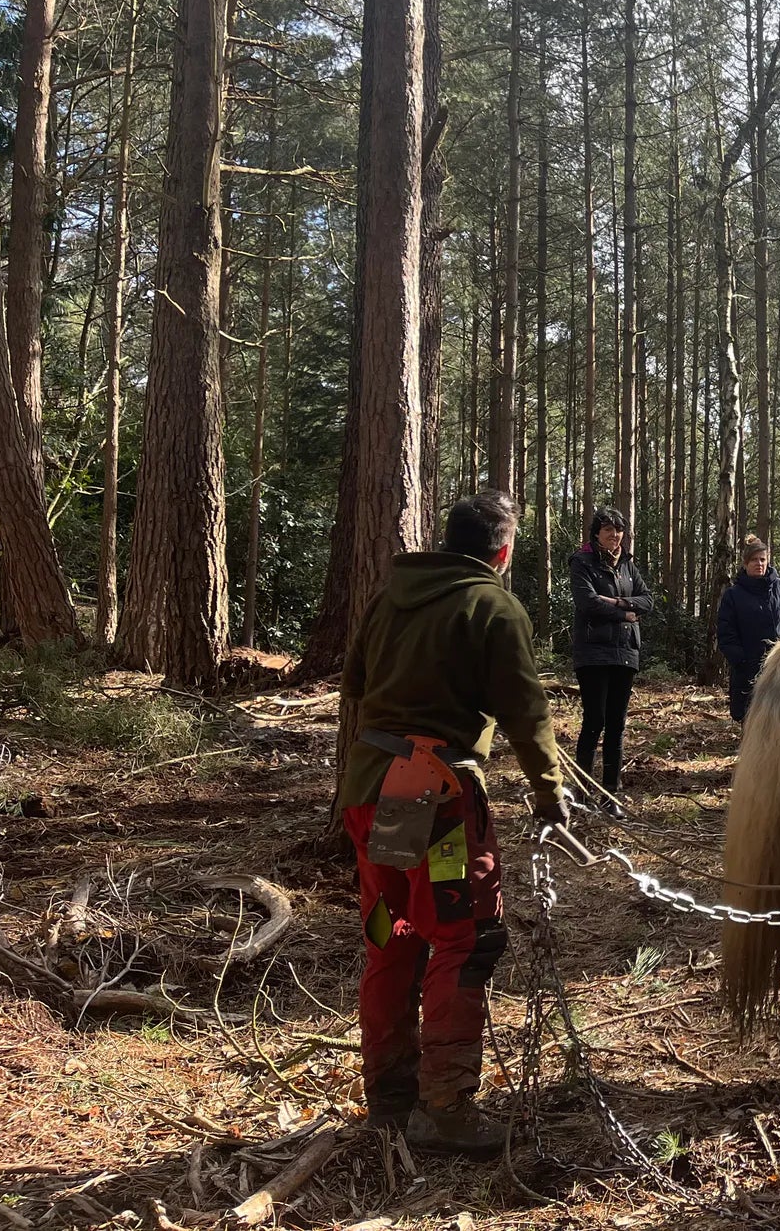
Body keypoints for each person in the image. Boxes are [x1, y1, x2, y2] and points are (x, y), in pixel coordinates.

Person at [335, 491, 570, 1157]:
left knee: (393, 937)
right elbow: (527, 716)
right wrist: (550, 795)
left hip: (370, 793)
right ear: (502, 549)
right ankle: (447, 1105)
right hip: (434, 802)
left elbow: (354, 683)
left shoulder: (387, 599)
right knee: (464, 940)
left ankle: (388, 1101)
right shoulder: (492, 605)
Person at [568, 505, 654, 794]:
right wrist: (625, 613)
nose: (615, 535)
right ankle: (583, 788)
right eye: (608, 530)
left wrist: (618, 603)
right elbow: (587, 602)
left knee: (617, 722)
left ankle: (610, 791)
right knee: (595, 719)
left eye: (619, 531)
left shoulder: (628, 564)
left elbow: (647, 600)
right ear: (596, 533)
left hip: (626, 651)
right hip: (593, 652)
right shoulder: (582, 561)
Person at [716, 534, 780, 724]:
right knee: (750, 719)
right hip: (748, 669)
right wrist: (742, 660)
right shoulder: (733, 595)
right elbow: (726, 633)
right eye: (754, 560)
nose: (759, 564)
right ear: (745, 563)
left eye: (762, 559)